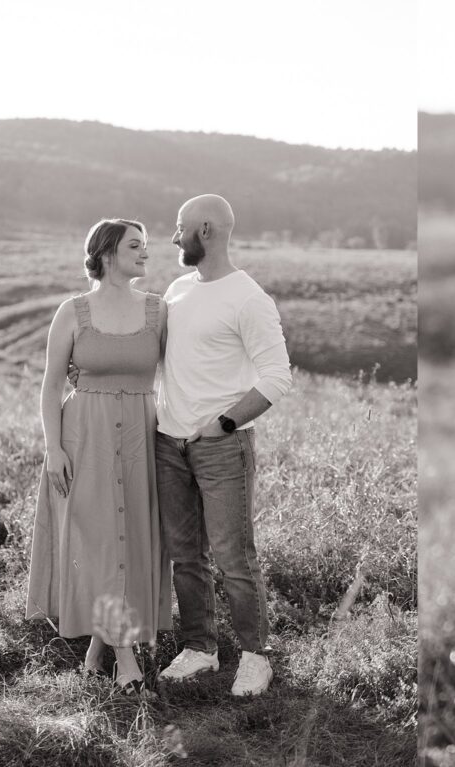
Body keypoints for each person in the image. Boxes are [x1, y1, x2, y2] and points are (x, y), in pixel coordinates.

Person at [26, 219, 172, 695]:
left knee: (129, 541)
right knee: (96, 545)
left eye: (146, 246)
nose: (145, 254)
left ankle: (96, 653)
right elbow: (49, 387)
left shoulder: (159, 311)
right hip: (82, 439)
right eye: (136, 246)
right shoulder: (72, 312)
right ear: (107, 252)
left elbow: (181, 375)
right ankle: (126, 659)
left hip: (140, 438)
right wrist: (53, 448)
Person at [154, 194, 292, 697]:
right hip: (168, 444)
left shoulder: (249, 298)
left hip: (220, 447)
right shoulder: (176, 290)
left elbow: (277, 378)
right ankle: (200, 649)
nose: (173, 238)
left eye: (179, 227)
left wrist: (224, 424)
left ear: (205, 230)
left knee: (235, 556)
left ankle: (256, 656)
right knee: (185, 554)